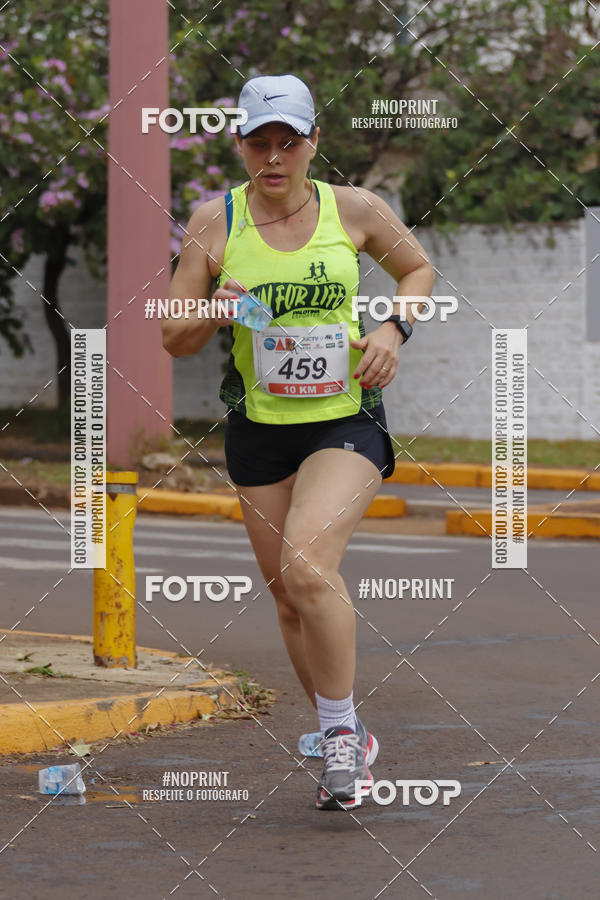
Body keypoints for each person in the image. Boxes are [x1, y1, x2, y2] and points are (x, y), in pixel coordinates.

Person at [162, 73, 435, 810]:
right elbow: (172, 337)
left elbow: (418, 267)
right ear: (242, 144)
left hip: (345, 419)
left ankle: (342, 737)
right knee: (288, 598)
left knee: (308, 565)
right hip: (259, 429)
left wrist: (392, 327)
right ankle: (338, 732)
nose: (275, 157)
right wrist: (212, 313)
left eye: (290, 141)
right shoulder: (213, 223)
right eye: (260, 142)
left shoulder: (356, 209)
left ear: (315, 142)